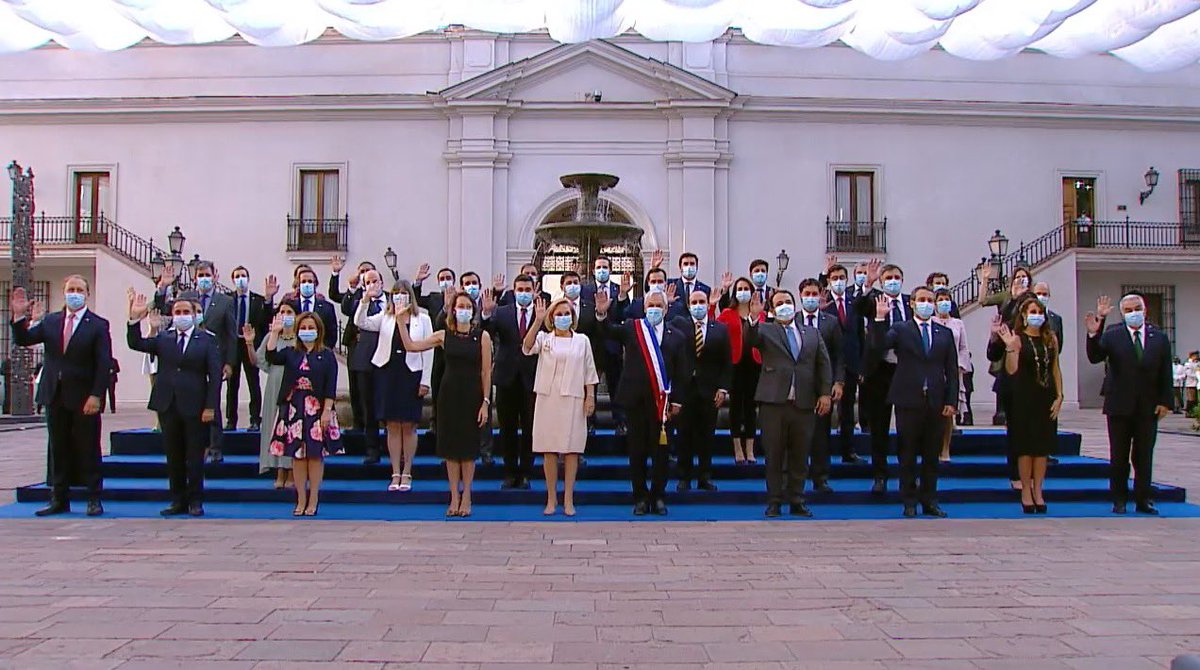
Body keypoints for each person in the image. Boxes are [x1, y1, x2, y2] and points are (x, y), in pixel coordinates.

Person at [10, 278, 113, 517]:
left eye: (79, 290)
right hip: (55, 394)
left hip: (84, 397)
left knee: (88, 447)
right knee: (58, 447)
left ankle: (93, 498)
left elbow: (103, 363)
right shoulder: (51, 321)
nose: (74, 294)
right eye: (70, 290)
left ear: (87, 294)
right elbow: (24, 339)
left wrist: (96, 395)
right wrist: (18, 318)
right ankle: (59, 498)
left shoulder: (97, 325)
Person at [395, 292, 493, 518]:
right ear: (453, 310)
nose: (464, 310)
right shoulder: (443, 335)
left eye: (468, 306)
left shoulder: (482, 337)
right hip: (449, 396)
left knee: (468, 450)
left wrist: (486, 402)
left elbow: (486, 372)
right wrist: (401, 321)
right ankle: (454, 496)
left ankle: (467, 495)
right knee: (451, 450)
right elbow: (411, 346)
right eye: (460, 306)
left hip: (472, 396)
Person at [594, 288, 688, 515]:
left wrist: (677, 401)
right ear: (644, 308)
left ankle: (658, 497)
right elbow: (608, 332)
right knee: (637, 452)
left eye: (658, 306)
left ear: (666, 309)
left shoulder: (677, 335)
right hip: (636, 402)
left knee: (661, 452)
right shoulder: (633, 328)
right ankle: (640, 497)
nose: (654, 309)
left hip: (662, 403)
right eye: (650, 305)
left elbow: (683, 372)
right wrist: (601, 314)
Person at [127, 292, 221, 517]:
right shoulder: (164, 338)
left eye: (185, 312)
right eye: (177, 312)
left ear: (194, 315)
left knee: (194, 456)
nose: (181, 316)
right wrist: (134, 320)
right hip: (168, 404)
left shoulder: (206, 340)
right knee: (173, 455)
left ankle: (195, 500)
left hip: (195, 405)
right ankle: (177, 499)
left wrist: (211, 406)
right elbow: (137, 343)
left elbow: (215, 375)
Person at [868, 286, 959, 518]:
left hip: (936, 400)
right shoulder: (901, 329)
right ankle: (909, 500)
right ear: (912, 303)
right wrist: (879, 319)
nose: (926, 303)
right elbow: (878, 346)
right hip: (908, 398)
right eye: (922, 300)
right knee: (907, 451)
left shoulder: (944, 332)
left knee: (931, 453)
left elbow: (952, 369)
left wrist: (951, 400)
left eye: (930, 300)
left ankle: (929, 499)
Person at [744, 290, 832, 517]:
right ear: (773, 310)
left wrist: (824, 393)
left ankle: (797, 499)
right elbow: (750, 341)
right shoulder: (766, 330)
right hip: (774, 402)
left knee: (800, 454)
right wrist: (754, 318)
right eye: (780, 303)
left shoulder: (811, 333)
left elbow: (823, 364)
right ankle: (774, 500)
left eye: (788, 302)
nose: (785, 306)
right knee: (774, 454)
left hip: (803, 404)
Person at [1085, 293, 1173, 515]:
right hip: (1119, 405)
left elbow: (1165, 372)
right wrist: (1095, 331)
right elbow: (1095, 356)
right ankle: (1119, 499)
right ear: (1123, 314)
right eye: (1129, 310)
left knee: (1144, 455)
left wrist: (1165, 402)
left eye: (1138, 308)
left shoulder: (1159, 337)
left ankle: (1143, 499)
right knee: (1119, 455)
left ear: (1145, 310)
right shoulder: (1113, 335)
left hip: (1148, 406)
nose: (1134, 313)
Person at [522, 297, 599, 516]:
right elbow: (526, 348)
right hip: (548, 398)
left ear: (573, 318)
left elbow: (589, 371)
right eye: (559, 314)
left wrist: (590, 396)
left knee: (572, 449)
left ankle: (568, 499)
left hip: (573, 397)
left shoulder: (582, 340)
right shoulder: (544, 338)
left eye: (567, 314)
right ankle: (551, 499)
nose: (563, 317)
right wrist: (537, 321)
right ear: (552, 318)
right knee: (549, 449)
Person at [155, 260, 236, 463]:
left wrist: (229, 362)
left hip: (213, 357)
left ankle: (215, 446)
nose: (204, 279)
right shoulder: (186, 297)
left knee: (213, 402)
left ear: (215, 276)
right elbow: (163, 310)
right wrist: (163, 287)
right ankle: (194, 445)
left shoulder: (225, 301)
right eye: (200, 276)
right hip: (189, 358)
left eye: (207, 275)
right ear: (194, 278)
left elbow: (231, 334)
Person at [358, 279, 434, 492]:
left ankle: (407, 471)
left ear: (410, 295)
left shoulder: (423, 319)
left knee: (409, 425)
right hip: (387, 373)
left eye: (404, 292)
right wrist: (365, 299)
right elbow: (361, 322)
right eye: (396, 293)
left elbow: (429, 352)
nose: (400, 296)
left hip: (411, 373)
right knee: (392, 425)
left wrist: (425, 381)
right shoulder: (385, 317)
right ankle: (395, 472)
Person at [265, 311, 342, 516]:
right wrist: (274, 333)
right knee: (298, 456)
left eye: (311, 328)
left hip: (317, 409)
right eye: (304, 328)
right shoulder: (291, 352)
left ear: (319, 331)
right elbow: (271, 356)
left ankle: (314, 498)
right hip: (294, 409)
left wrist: (327, 411)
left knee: (315, 455)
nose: (307, 332)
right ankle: (300, 498)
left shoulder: (326, 355)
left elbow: (330, 387)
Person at [996, 294, 1063, 514]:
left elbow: (1055, 368)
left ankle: (1039, 490)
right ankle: (1025, 490)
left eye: (1039, 313)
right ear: (1024, 316)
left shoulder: (1050, 338)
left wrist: (1060, 395)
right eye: (1032, 313)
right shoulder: (1017, 338)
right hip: (1023, 397)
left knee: (1041, 448)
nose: (1036, 316)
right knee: (1025, 448)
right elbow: (1012, 369)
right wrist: (1010, 347)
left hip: (1045, 396)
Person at [854, 259, 911, 493]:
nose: (893, 282)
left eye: (896, 278)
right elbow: (858, 307)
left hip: (907, 371)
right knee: (879, 427)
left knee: (908, 426)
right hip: (880, 371)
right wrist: (868, 283)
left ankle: (908, 476)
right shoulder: (874, 301)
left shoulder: (911, 302)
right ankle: (880, 475)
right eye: (888, 278)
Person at [481, 276, 540, 489]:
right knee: (507, 429)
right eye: (520, 289)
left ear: (534, 290)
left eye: (527, 289)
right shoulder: (502, 312)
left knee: (529, 428)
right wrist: (487, 313)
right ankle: (509, 472)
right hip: (506, 378)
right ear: (514, 291)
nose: (524, 292)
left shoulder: (542, 313)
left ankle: (525, 472)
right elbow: (487, 333)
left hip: (532, 378)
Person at [675, 289, 731, 492]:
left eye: (701, 301)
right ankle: (684, 477)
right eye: (694, 302)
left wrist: (723, 388)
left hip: (709, 392)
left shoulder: (720, 329)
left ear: (708, 304)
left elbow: (727, 362)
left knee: (707, 437)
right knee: (684, 435)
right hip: (685, 391)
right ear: (689, 305)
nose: (698, 305)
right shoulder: (679, 326)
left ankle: (705, 476)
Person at [795, 278, 843, 493]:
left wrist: (838, 382)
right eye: (807, 293)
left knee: (821, 435)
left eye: (815, 294)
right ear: (800, 295)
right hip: (797, 386)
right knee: (796, 434)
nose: (811, 298)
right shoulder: (792, 320)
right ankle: (796, 478)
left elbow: (839, 356)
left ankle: (820, 477)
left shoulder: (830, 322)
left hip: (822, 385)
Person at [244, 301, 295, 489]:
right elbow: (258, 360)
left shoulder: (300, 336)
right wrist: (249, 343)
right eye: (282, 311)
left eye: (289, 311)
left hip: (294, 385)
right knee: (275, 426)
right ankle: (278, 469)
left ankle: (291, 471)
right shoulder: (271, 337)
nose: (285, 314)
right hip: (275, 384)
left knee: (291, 428)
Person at [715, 276, 765, 464]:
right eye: (740, 288)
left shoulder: (760, 313)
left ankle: (750, 448)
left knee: (751, 407)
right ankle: (737, 447)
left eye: (746, 288)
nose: (743, 291)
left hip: (754, 365)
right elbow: (714, 329)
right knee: (736, 407)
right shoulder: (728, 313)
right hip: (734, 365)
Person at [328, 255, 377, 437]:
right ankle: (358, 421)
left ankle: (376, 421)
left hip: (376, 347)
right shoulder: (354, 294)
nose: (365, 275)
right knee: (355, 385)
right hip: (356, 346)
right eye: (362, 272)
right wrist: (338, 275)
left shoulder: (384, 296)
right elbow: (340, 301)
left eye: (368, 272)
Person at [582, 256, 626, 434]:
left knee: (616, 387)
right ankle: (589, 421)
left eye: (605, 267)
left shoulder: (618, 290)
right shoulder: (585, 289)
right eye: (599, 267)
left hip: (613, 347)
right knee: (588, 386)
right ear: (593, 270)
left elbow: (623, 315)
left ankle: (620, 422)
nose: (602, 270)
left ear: (610, 269)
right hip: (592, 346)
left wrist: (622, 297)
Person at [345, 269, 385, 465]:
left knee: (389, 407)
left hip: (389, 363)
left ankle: (395, 447)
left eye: (375, 281)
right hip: (365, 362)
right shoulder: (361, 303)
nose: (372, 285)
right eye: (368, 282)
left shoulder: (393, 302)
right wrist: (364, 299)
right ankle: (372, 449)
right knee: (368, 408)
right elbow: (356, 319)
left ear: (382, 282)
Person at [823, 263, 862, 463]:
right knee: (824, 410)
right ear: (829, 281)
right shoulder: (824, 303)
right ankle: (823, 453)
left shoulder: (854, 303)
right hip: (827, 364)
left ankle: (848, 451)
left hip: (851, 363)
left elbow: (860, 335)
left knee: (847, 411)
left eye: (841, 277)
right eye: (834, 278)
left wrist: (861, 365)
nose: (838, 281)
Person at [225, 265, 268, 431]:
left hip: (250, 344)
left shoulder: (258, 300)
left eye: (243, 276)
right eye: (237, 276)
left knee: (253, 383)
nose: (240, 279)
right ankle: (231, 420)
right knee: (232, 384)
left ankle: (255, 419)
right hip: (233, 343)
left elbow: (265, 322)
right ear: (233, 280)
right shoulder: (228, 299)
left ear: (248, 279)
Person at [931, 288, 970, 462]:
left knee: (948, 412)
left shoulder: (958, 323)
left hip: (953, 370)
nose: (944, 302)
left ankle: (946, 448)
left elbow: (963, 347)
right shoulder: (930, 321)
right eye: (940, 299)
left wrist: (959, 366)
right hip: (933, 370)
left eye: (947, 299)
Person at [283, 267, 339, 351]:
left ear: (315, 284)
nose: (306, 284)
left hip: (319, 353)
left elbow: (332, 334)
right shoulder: (289, 305)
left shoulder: (327, 307)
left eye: (310, 281)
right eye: (303, 281)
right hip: (294, 352)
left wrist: (322, 351)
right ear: (298, 285)